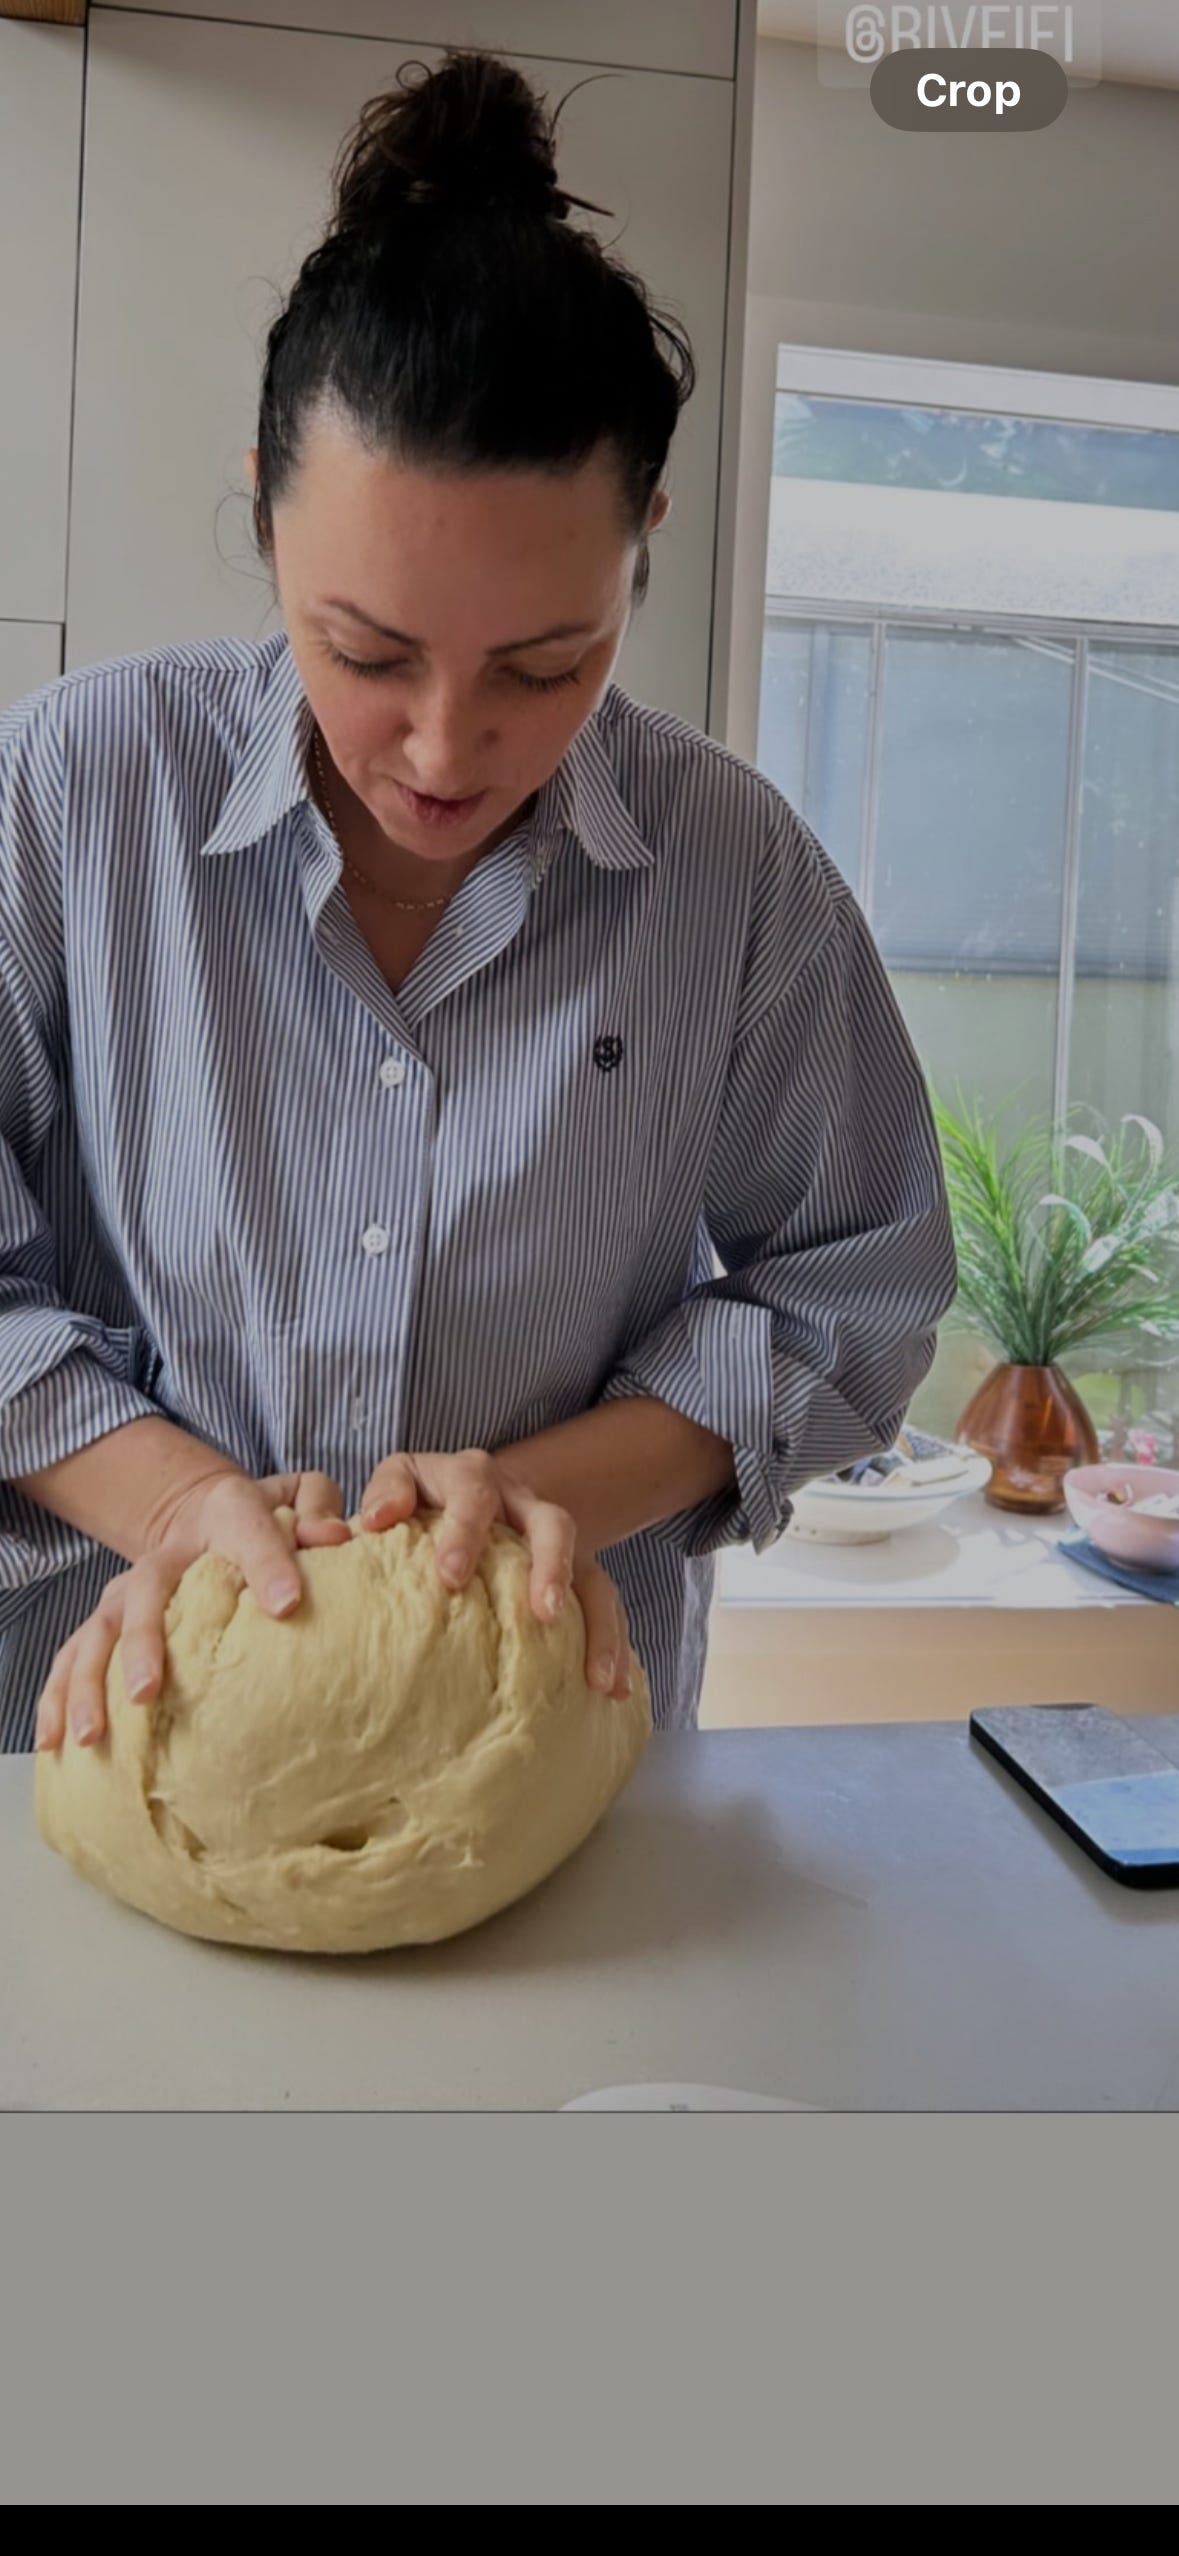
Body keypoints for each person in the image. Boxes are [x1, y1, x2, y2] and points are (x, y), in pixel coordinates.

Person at [0, 48, 956, 1758]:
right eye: (365, 652)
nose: (446, 749)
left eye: (545, 664)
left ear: (645, 538)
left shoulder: (733, 872)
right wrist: (176, 1508)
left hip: (540, 1757)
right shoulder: (74, 790)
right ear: (265, 508)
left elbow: (855, 1289)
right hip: (94, 1737)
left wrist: (532, 1501)